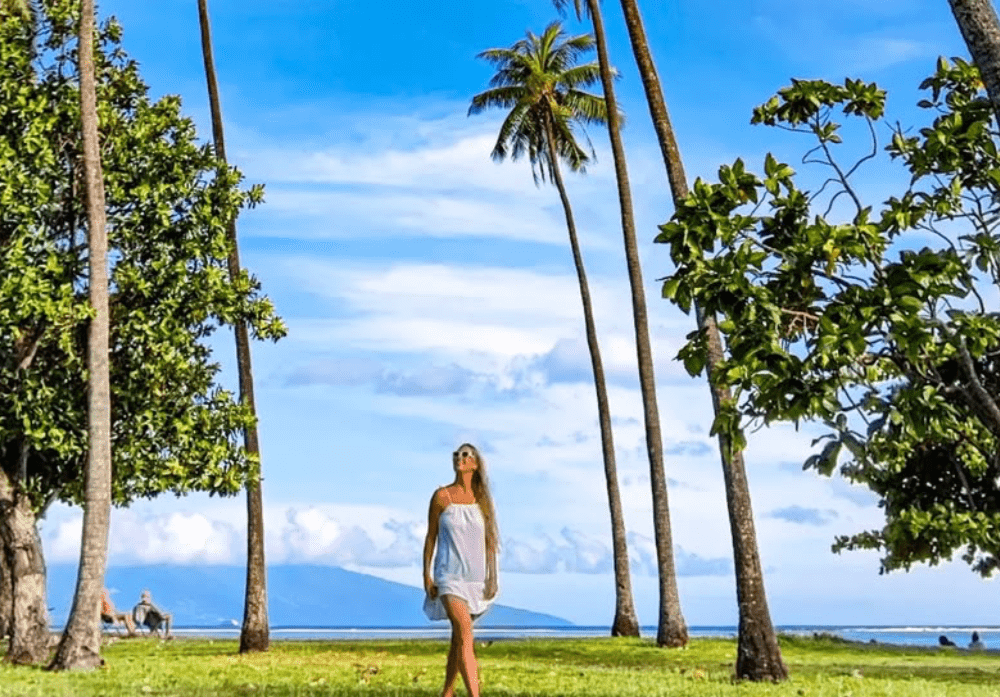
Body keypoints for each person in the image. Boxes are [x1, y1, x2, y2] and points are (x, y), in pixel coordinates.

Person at [423, 443, 499, 697]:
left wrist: (493, 577)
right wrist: (427, 575)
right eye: (457, 454)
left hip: (475, 578)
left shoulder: (482, 501)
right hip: (449, 576)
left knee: (459, 638)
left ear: (475, 464)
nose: (460, 458)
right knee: (466, 631)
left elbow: (490, 542)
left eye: (466, 455)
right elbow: (431, 537)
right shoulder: (441, 496)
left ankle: (447, 692)